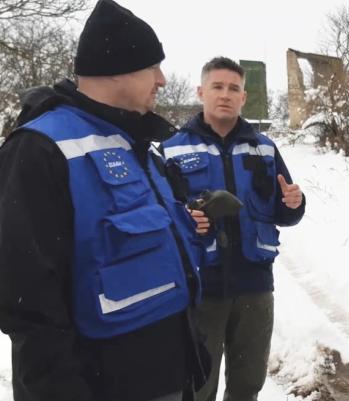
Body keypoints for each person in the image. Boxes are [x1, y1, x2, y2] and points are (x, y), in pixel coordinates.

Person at [0, 1, 210, 400]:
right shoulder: (41, 149)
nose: (162, 80)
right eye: (153, 67)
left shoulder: (137, 144)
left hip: (168, 377)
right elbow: (27, 303)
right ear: (117, 68)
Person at [161, 56, 305, 401]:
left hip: (255, 287)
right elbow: (160, 219)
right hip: (201, 287)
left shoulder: (265, 148)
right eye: (217, 86)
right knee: (198, 385)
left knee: (247, 383)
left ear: (244, 97)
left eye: (234, 88)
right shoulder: (170, 149)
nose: (225, 94)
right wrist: (184, 220)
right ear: (201, 91)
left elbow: (283, 214)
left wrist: (294, 203)